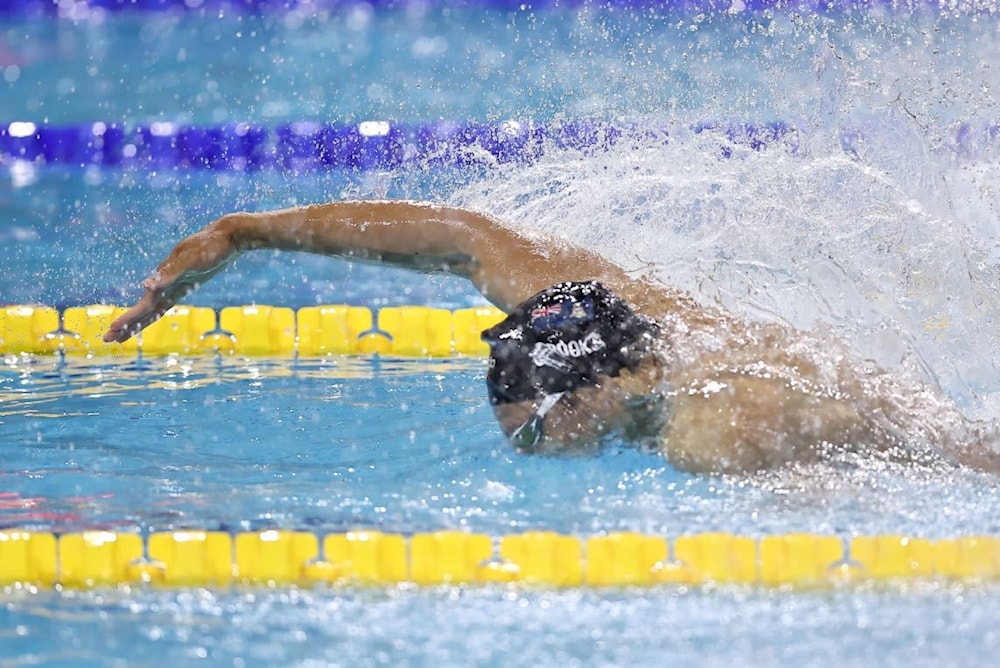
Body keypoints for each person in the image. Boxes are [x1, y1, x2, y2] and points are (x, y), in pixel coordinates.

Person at [104, 200, 1000, 474]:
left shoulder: (715, 430)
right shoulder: (596, 307)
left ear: (602, 389)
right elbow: (458, 239)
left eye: (536, 427)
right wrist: (246, 232)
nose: (530, 445)